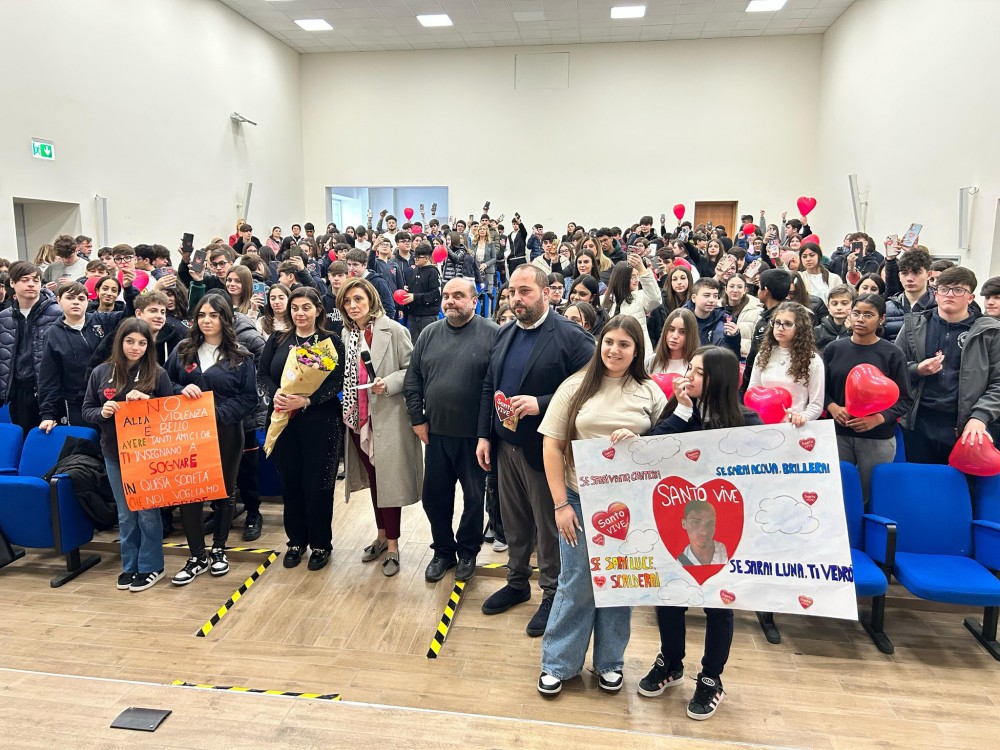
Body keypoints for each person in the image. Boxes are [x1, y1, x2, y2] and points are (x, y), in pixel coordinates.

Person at [535, 315, 666, 696]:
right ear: (599, 343)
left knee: (621, 583)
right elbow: (552, 445)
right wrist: (561, 504)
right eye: (609, 341)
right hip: (578, 498)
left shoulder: (649, 392)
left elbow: (668, 447)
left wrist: (642, 443)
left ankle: (610, 662)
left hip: (633, 505)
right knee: (576, 581)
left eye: (625, 344)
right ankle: (559, 663)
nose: (615, 350)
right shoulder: (575, 387)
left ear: (637, 350)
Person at [633, 345, 763, 721]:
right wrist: (684, 409)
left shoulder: (747, 421)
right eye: (688, 368)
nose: (688, 376)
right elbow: (653, 450)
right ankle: (671, 663)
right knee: (669, 597)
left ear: (718, 379)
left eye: (699, 372)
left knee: (718, 606)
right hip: (679, 529)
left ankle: (710, 678)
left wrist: (794, 429)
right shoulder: (682, 414)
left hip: (724, 533)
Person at [476, 265, 595, 637]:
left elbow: (589, 390)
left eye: (525, 291)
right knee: (512, 520)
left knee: (548, 526)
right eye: (512, 292)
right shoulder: (505, 332)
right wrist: (484, 435)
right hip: (505, 444)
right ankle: (516, 581)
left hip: (546, 448)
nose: (516, 299)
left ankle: (552, 593)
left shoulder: (571, 338)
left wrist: (542, 402)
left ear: (547, 293)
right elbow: (488, 386)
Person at [404, 278, 499, 583]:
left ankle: (468, 550)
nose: (450, 301)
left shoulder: (493, 334)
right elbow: (413, 378)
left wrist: (488, 432)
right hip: (436, 435)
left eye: (458, 296)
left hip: (475, 437)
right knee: (435, 497)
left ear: (474, 300)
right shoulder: (430, 333)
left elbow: (498, 386)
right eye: (446, 296)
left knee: (473, 498)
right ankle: (443, 550)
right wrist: (416, 417)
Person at [165, 295, 257, 585]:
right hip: (187, 434)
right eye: (202, 315)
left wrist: (215, 414)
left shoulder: (241, 356)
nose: (206, 320)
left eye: (214, 315)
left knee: (224, 491)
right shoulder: (182, 351)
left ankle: (219, 549)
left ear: (225, 319)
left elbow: (248, 399)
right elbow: (165, 384)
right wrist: (181, 390)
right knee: (190, 492)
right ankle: (196, 556)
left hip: (227, 432)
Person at [81, 319, 174, 592]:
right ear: (120, 342)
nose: (136, 347)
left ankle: (151, 566)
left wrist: (150, 405)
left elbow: (169, 415)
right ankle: (129, 565)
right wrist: (103, 412)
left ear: (149, 346)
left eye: (142, 343)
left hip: (146, 456)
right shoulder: (101, 373)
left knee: (147, 512)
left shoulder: (158, 374)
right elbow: (87, 409)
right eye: (130, 341)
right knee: (125, 514)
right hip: (113, 453)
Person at [339, 277, 422, 576]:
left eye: (358, 299)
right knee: (376, 481)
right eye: (347, 302)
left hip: (387, 417)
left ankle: (393, 547)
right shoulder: (347, 335)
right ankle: (381, 535)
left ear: (371, 300)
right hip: (357, 418)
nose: (352, 306)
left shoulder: (394, 330)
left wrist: (387, 384)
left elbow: (412, 370)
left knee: (389, 482)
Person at [258, 287, 345, 570]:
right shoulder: (278, 339)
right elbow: (262, 375)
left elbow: (338, 381)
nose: (300, 313)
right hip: (284, 420)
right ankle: (296, 541)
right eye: (295, 308)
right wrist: (276, 395)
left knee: (318, 485)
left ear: (318, 310)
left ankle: (321, 543)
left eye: (306, 307)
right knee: (291, 484)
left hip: (321, 422)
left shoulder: (330, 341)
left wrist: (307, 399)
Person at [895, 266, 1000, 463]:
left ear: (970, 297)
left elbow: (998, 383)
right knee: (922, 482)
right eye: (944, 289)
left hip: (966, 424)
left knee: (961, 486)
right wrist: (917, 369)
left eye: (958, 290)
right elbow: (893, 368)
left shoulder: (990, 332)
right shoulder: (913, 326)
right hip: (918, 422)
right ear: (936, 293)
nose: (950, 294)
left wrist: (980, 416)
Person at [824, 294, 912, 502]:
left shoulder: (892, 353)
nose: (860, 319)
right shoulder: (834, 348)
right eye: (856, 313)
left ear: (881, 319)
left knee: (872, 496)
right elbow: (821, 390)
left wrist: (877, 418)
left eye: (868, 314)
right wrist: (834, 407)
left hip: (878, 438)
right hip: (838, 434)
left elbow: (905, 400)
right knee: (837, 494)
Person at [37, 281, 134, 431]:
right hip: (77, 402)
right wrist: (47, 414)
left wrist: (128, 289)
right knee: (85, 447)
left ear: (88, 301)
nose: (76, 302)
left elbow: (131, 315)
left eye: (81, 299)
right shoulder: (53, 334)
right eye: (70, 298)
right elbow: (49, 376)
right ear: (58, 300)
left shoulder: (102, 320)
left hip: (110, 398)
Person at [0, 261, 64, 435]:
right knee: (23, 439)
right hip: (18, 392)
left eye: (35, 280)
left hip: (50, 391)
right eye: (24, 280)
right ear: (12, 283)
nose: (31, 284)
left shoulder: (57, 313)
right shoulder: (4, 318)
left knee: (50, 442)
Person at [748, 302, 824, 426]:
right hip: (764, 426)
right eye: (777, 322)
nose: (780, 328)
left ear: (800, 327)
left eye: (788, 324)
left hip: (794, 427)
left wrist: (801, 418)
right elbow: (752, 391)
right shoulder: (764, 354)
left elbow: (816, 405)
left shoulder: (812, 360)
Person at [741, 269, 791, 392]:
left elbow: (757, 355)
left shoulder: (774, 321)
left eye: (759, 287)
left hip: (767, 382)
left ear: (766, 291)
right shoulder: (767, 316)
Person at [600, 255, 661, 352]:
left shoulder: (639, 297)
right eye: (632, 277)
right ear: (621, 278)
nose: (636, 280)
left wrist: (642, 270)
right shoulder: (603, 300)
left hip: (637, 353)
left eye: (637, 276)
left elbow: (655, 299)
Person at [883, 247, 934, 340]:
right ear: (899, 276)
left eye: (916, 273)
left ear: (929, 275)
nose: (910, 278)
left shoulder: (939, 307)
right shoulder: (887, 308)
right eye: (904, 273)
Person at [686, 278, 740, 357]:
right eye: (706, 296)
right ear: (694, 298)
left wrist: (733, 337)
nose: (712, 300)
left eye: (715, 296)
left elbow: (732, 356)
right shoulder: (683, 319)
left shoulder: (726, 320)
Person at [403, 243, 442, 343]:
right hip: (414, 314)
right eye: (415, 257)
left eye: (419, 257)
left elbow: (435, 294)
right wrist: (408, 290)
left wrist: (415, 297)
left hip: (428, 315)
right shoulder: (415, 270)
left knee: (429, 344)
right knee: (415, 346)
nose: (416, 259)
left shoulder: (433, 272)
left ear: (427, 258)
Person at [648, 308, 698, 375]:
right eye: (671, 329)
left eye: (682, 332)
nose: (674, 336)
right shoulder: (651, 362)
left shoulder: (697, 364)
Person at [723, 274, 761, 360]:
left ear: (745, 290)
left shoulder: (756, 311)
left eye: (739, 287)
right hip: (719, 355)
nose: (735, 290)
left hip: (743, 358)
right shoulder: (716, 307)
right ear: (726, 289)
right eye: (731, 286)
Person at [814, 284, 856, 352]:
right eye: (834, 303)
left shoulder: (858, 330)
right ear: (828, 307)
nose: (839, 308)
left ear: (854, 306)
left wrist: (850, 332)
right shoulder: (817, 331)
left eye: (844, 303)